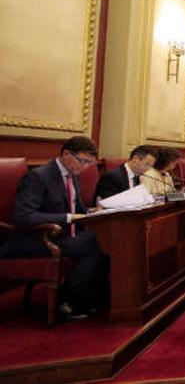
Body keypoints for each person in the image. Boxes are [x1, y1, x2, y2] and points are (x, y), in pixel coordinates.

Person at [2, 137, 109, 320]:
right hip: (35, 238)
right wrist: (68, 217)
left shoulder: (72, 175)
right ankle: (70, 301)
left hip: (64, 235)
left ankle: (92, 298)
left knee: (107, 239)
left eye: (90, 164)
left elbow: (77, 207)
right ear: (66, 154)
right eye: (83, 161)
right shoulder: (38, 177)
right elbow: (23, 216)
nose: (85, 167)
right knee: (96, 244)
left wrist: (93, 211)